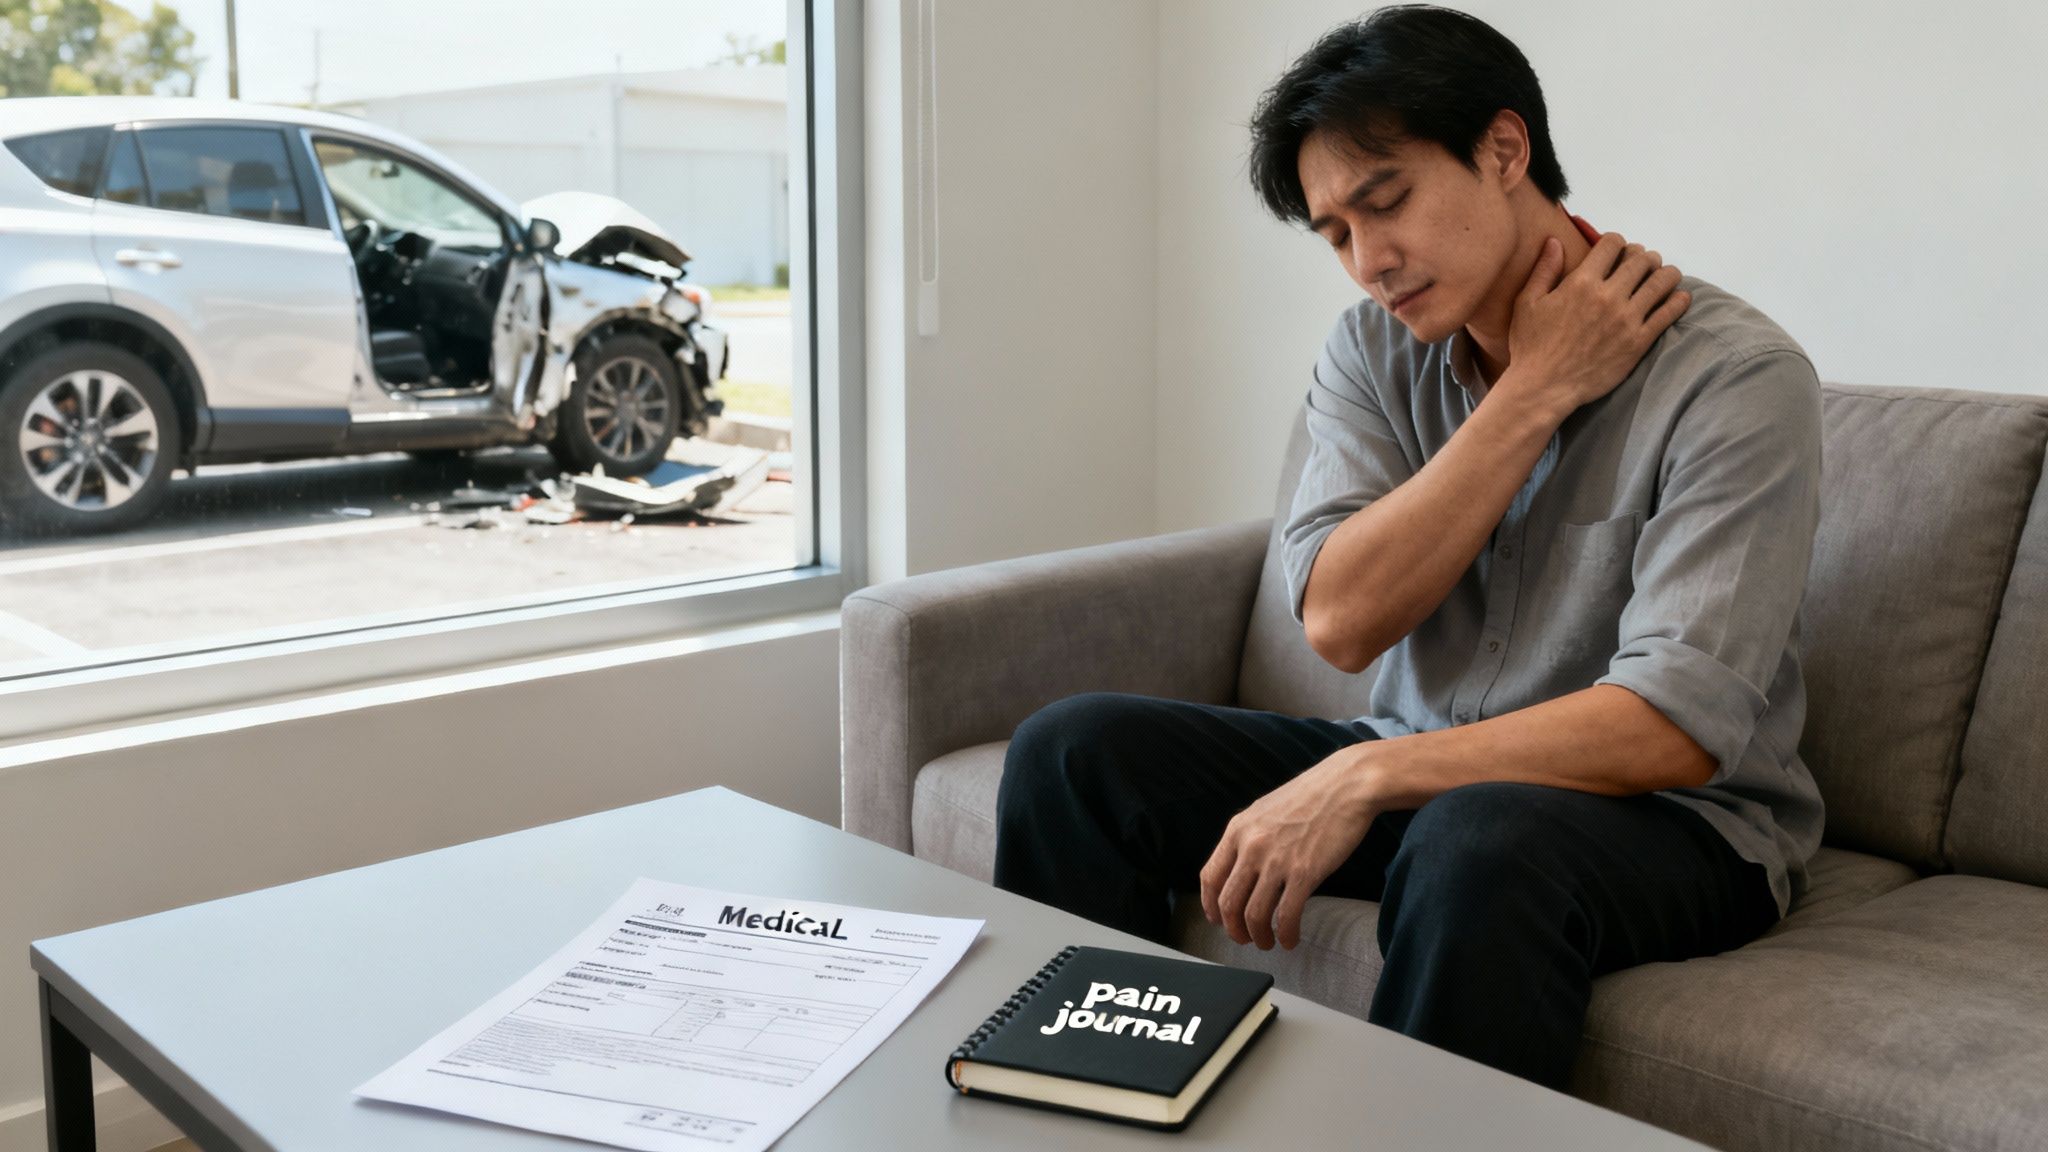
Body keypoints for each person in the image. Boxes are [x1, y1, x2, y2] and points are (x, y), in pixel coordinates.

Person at [991, 4, 1825, 1090]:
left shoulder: (1732, 378)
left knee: (1477, 842)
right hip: (1432, 785)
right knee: (1074, 752)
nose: (1368, 262)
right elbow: (1339, 620)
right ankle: (1080, 1108)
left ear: (1502, 149)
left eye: (1384, 202)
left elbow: (1673, 726)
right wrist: (1530, 393)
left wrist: (1367, 773)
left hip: (1674, 828)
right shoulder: (1373, 352)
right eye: (1335, 233)